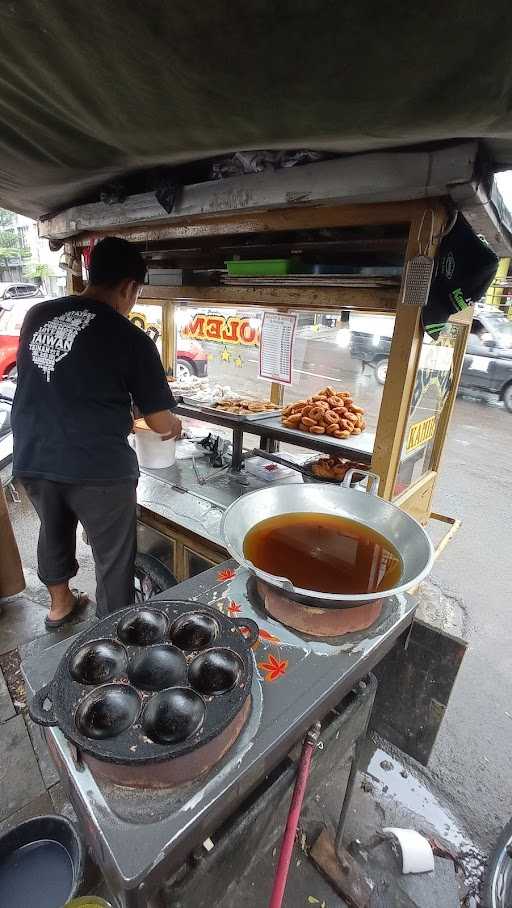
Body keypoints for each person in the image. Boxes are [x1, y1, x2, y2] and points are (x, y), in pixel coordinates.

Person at [11, 237, 181, 626]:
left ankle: (60, 606)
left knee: (52, 529)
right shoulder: (132, 339)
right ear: (129, 287)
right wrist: (175, 424)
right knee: (112, 556)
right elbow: (158, 422)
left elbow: (65, 375)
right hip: (98, 469)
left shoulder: (38, 314)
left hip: (34, 454)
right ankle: (111, 630)